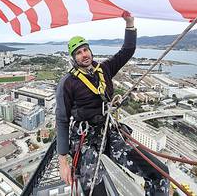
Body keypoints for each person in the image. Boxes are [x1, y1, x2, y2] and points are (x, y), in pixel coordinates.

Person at [55, 15, 169, 196]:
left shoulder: (104, 69)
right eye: (78, 52)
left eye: (86, 49)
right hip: (85, 140)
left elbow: (127, 50)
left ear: (90, 51)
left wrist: (129, 24)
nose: (84, 54)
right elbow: (61, 120)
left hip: (108, 132)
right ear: (73, 58)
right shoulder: (68, 82)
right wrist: (62, 162)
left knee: (160, 173)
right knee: (96, 192)